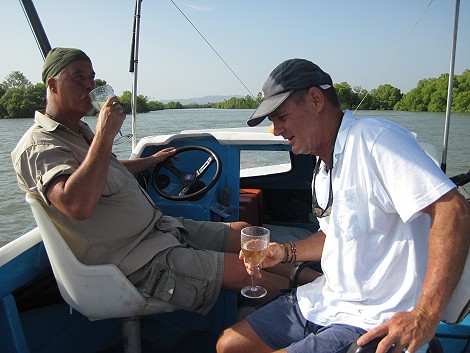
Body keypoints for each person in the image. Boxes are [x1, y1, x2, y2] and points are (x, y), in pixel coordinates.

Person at [11, 47, 291, 315]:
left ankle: (312, 278)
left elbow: (104, 169)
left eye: (92, 77)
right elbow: (77, 204)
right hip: (135, 261)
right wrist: (104, 136)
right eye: (79, 77)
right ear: (52, 85)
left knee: (244, 232)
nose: (89, 85)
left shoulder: (78, 132)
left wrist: (149, 161)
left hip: (160, 230)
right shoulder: (39, 145)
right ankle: (315, 310)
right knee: (253, 275)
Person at [216, 58, 470, 353]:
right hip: (327, 299)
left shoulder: (374, 140)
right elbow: (336, 235)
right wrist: (284, 252)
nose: (276, 130)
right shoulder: (324, 168)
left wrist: (424, 316)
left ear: (315, 99)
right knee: (230, 345)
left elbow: (452, 211)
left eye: (281, 116)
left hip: (372, 316)